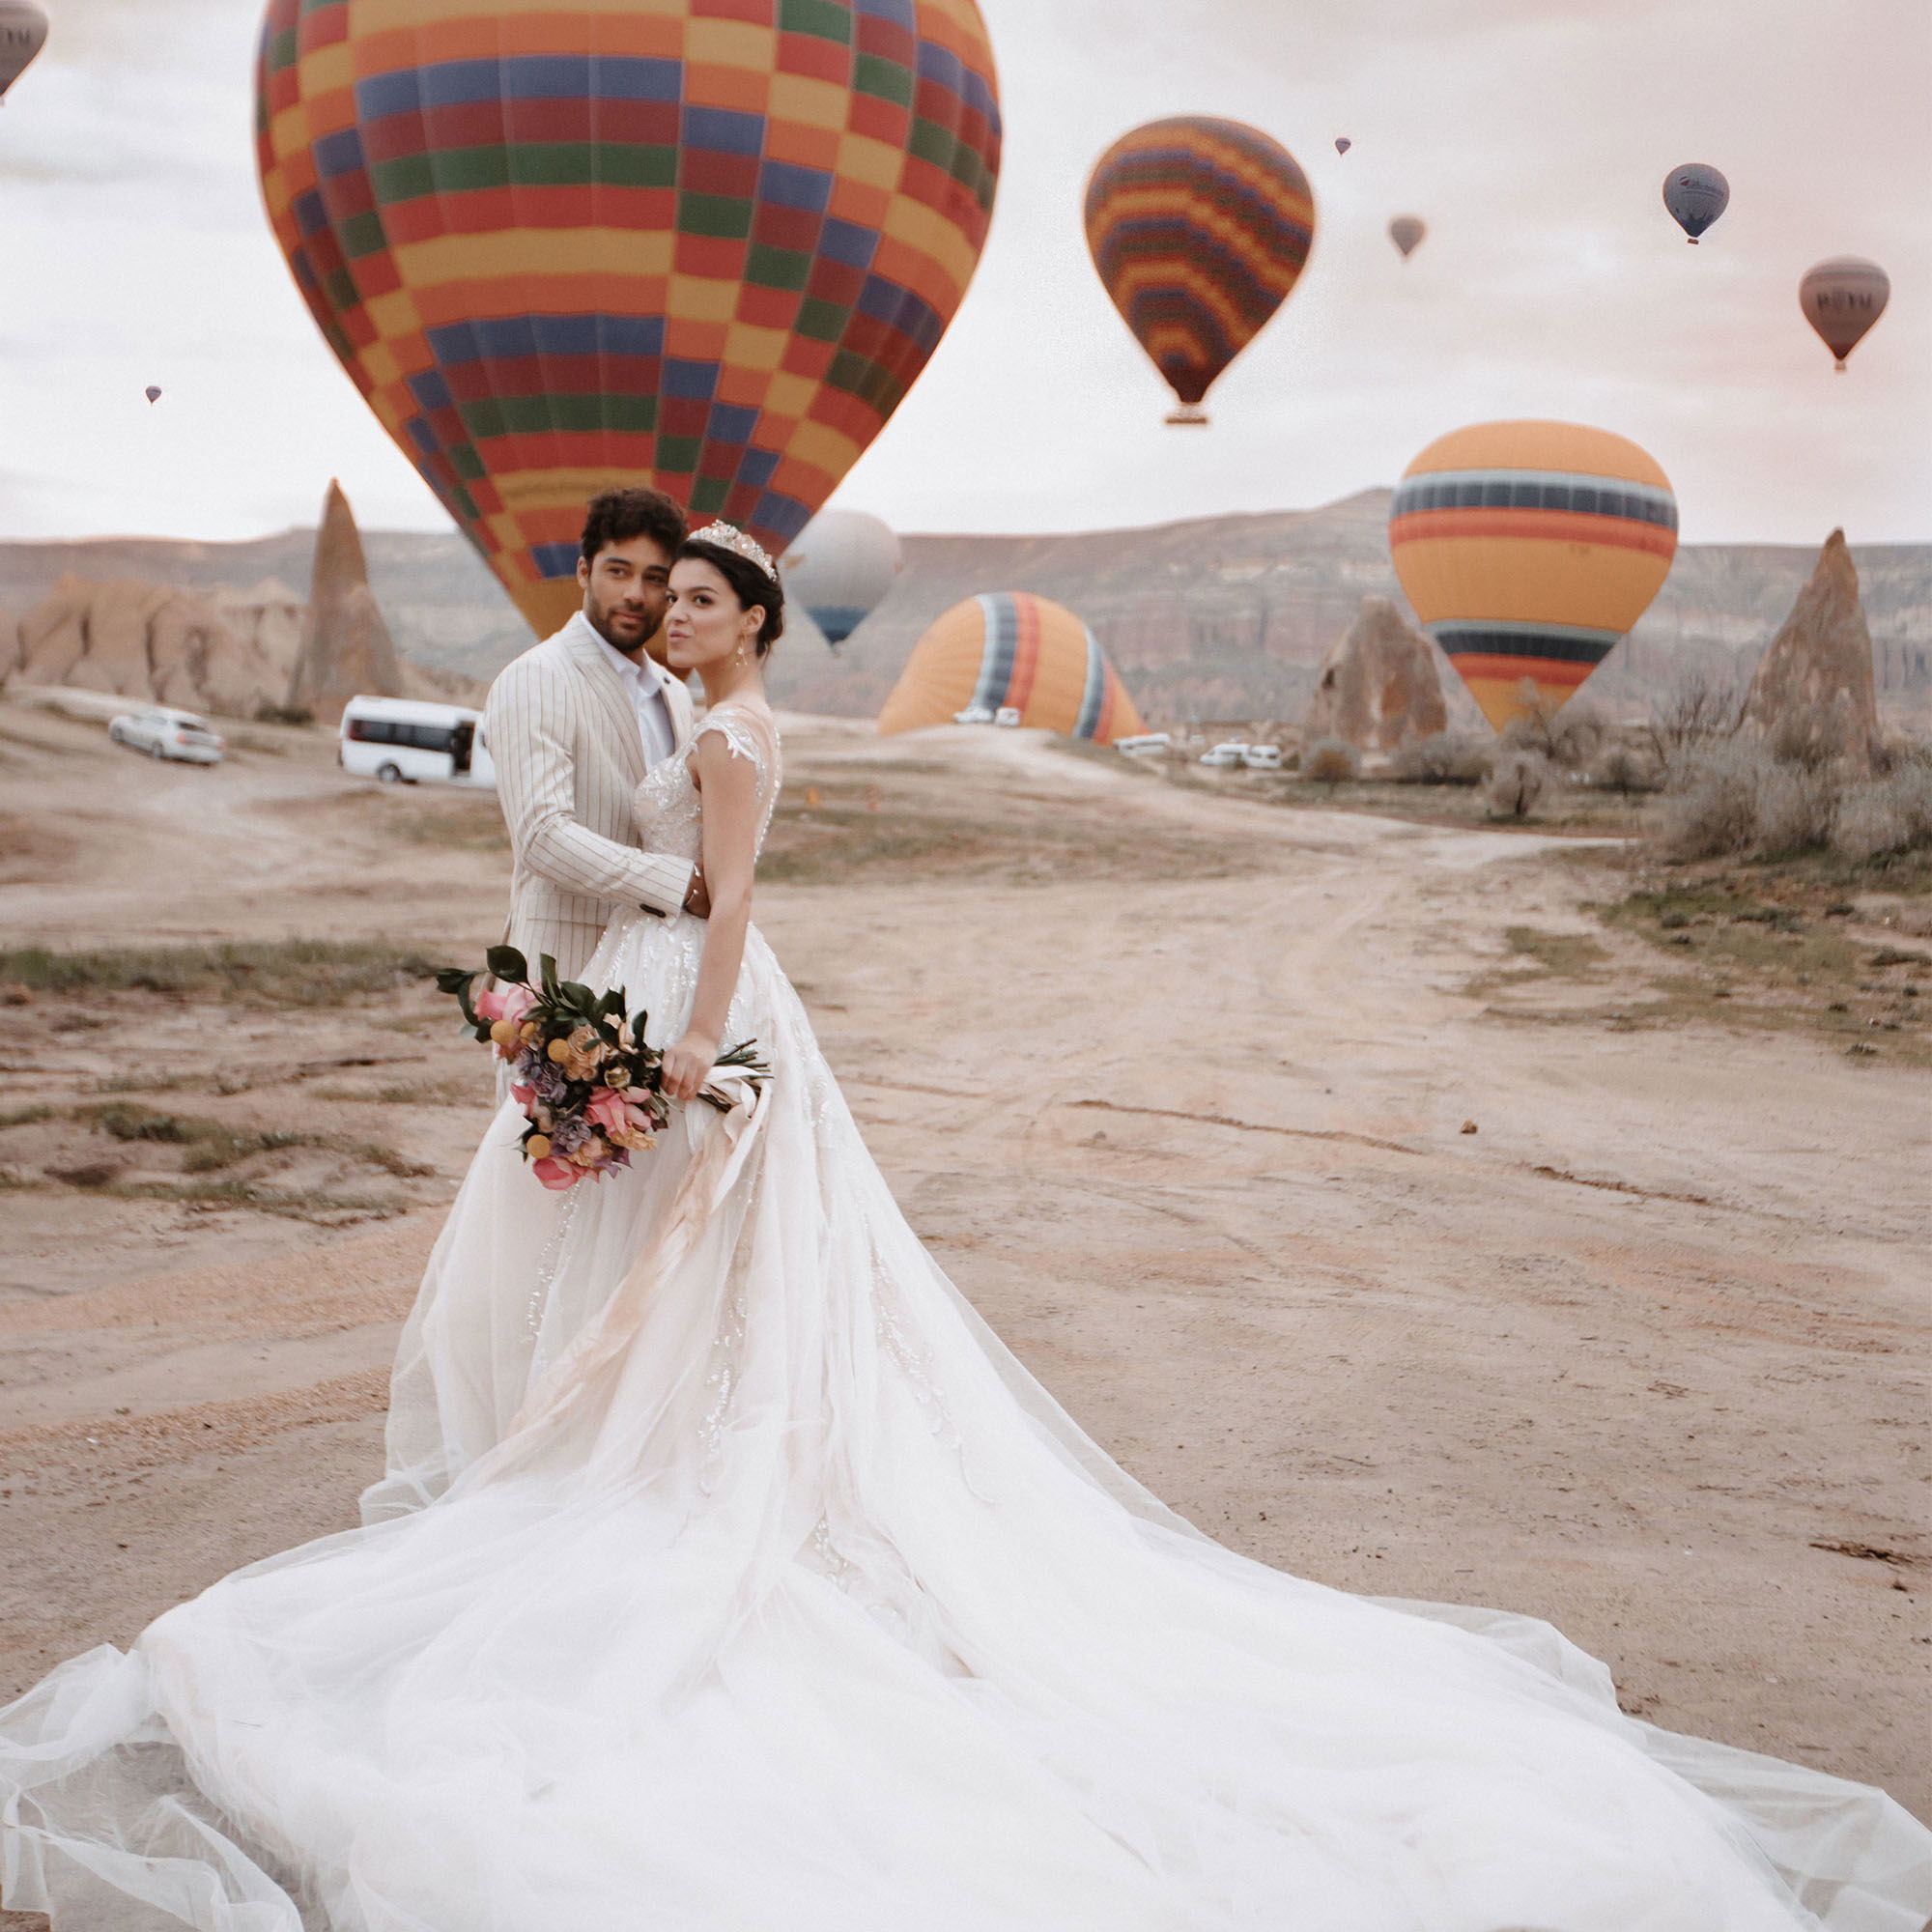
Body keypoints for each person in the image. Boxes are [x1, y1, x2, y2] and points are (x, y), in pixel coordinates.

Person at [1, 526, 1927, 1931]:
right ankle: (632, 1459)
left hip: (714, 1004)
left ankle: (662, 1480)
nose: (673, 615)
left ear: (756, 619)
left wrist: (677, 1050)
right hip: (687, 994)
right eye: (662, 595)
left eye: (701, 600)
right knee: (679, 1287)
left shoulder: (736, 735)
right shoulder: (681, 701)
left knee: (710, 1275)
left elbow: (723, 901)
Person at [485, 486, 710, 987]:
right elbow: (542, 837)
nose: (635, 593)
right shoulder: (538, 676)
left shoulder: (674, 694)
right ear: (584, 571)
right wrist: (680, 885)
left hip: (661, 974)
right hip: (564, 975)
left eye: (655, 579)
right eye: (618, 571)